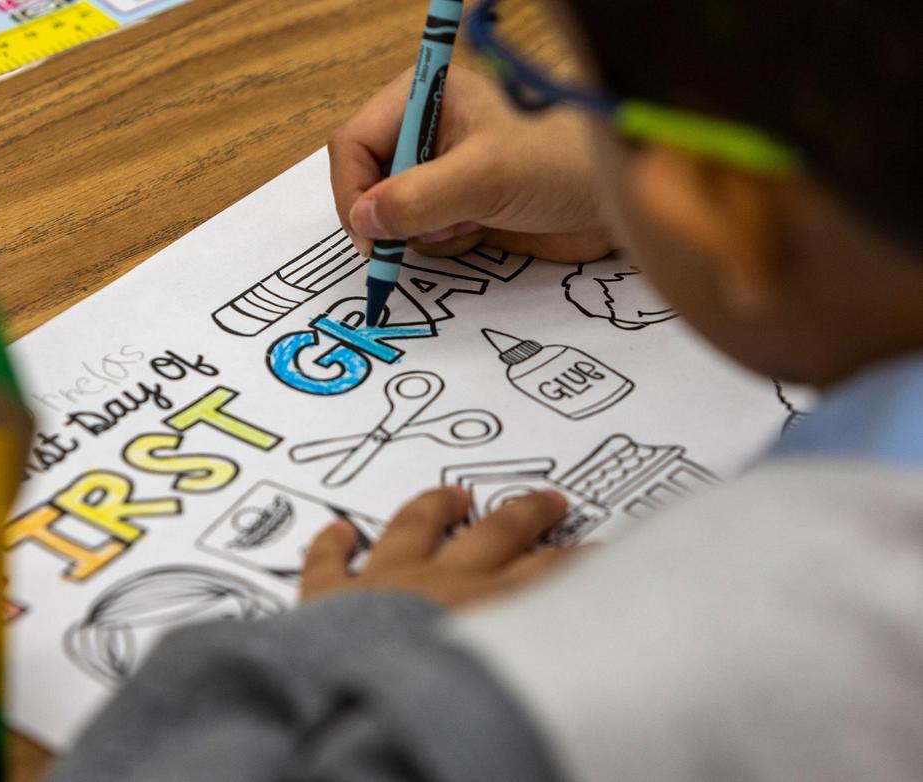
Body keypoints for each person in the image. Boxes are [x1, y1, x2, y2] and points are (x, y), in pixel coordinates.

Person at [51, 0, 923, 779]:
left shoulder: (642, 674)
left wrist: (342, 651)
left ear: (722, 211)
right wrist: (634, 180)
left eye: (571, 92)